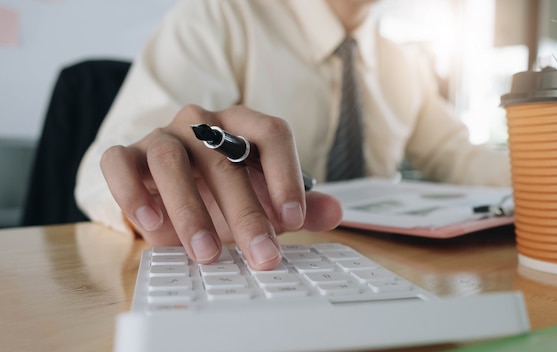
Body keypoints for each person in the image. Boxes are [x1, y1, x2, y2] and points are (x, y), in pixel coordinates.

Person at [75, 0, 511, 270]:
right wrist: (156, 186)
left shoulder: (402, 63)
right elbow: (105, 175)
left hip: (376, 272)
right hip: (260, 271)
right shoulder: (220, 14)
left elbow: (460, 157)